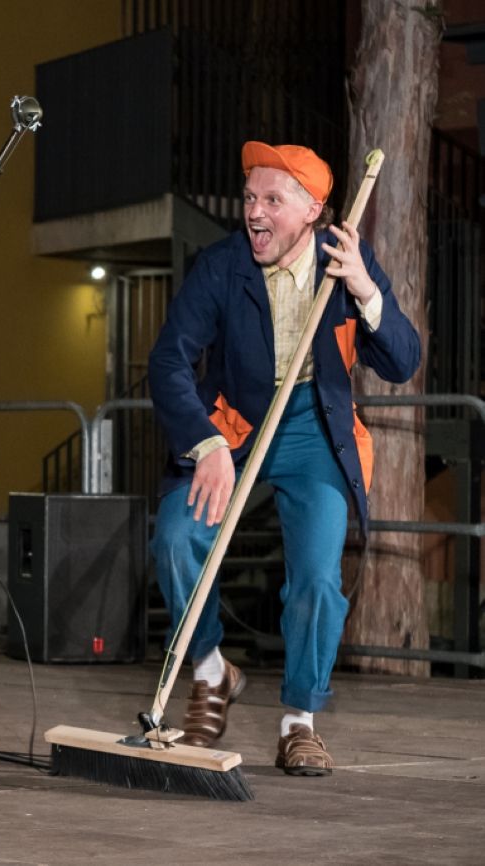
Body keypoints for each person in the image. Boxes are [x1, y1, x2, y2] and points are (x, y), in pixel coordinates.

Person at [148, 141, 421, 775]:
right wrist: (207, 442)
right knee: (175, 538)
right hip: (234, 424)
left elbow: (403, 360)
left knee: (318, 581)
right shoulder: (220, 266)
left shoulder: (344, 259)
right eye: (250, 197)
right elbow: (169, 360)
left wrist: (363, 289)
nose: (255, 211)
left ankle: (300, 719)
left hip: (312, 427)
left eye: (273, 199)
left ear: (314, 209)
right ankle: (212, 670)